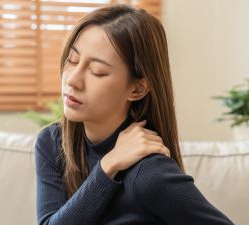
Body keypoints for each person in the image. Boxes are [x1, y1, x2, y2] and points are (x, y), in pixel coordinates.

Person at [34, 4, 234, 225]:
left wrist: (104, 170)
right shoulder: (53, 143)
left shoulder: (149, 173)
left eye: (96, 71)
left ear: (137, 89)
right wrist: (108, 166)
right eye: (72, 61)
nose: (72, 80)